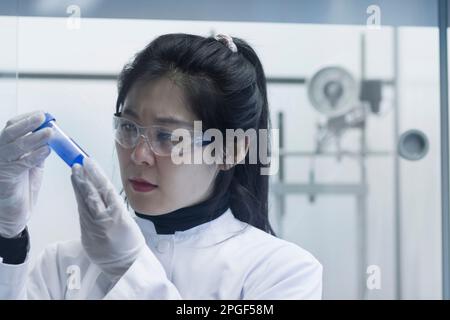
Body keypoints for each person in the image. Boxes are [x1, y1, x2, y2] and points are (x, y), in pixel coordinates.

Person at [0, 33, 322, 299]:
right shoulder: (63, 265)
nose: (139, 154)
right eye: (128, 127)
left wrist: (129, 268)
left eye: (167, 136)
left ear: (230, 150)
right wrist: (8, 237)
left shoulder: (282, 272)